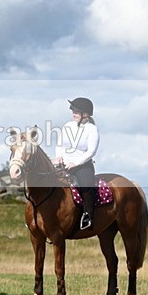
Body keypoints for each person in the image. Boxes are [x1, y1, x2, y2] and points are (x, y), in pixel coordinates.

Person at [53, 97, 99, 231]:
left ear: (86, 114)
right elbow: (60, 144)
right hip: (63, 164)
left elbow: (91, 151)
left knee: (86, 186)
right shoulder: (68, 126)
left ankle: (88, 216)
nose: (73, 113)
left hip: (82, 166)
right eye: (73, 111)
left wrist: (76, 163)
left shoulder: (92, 130)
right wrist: (59, 156)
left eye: (76, 111)